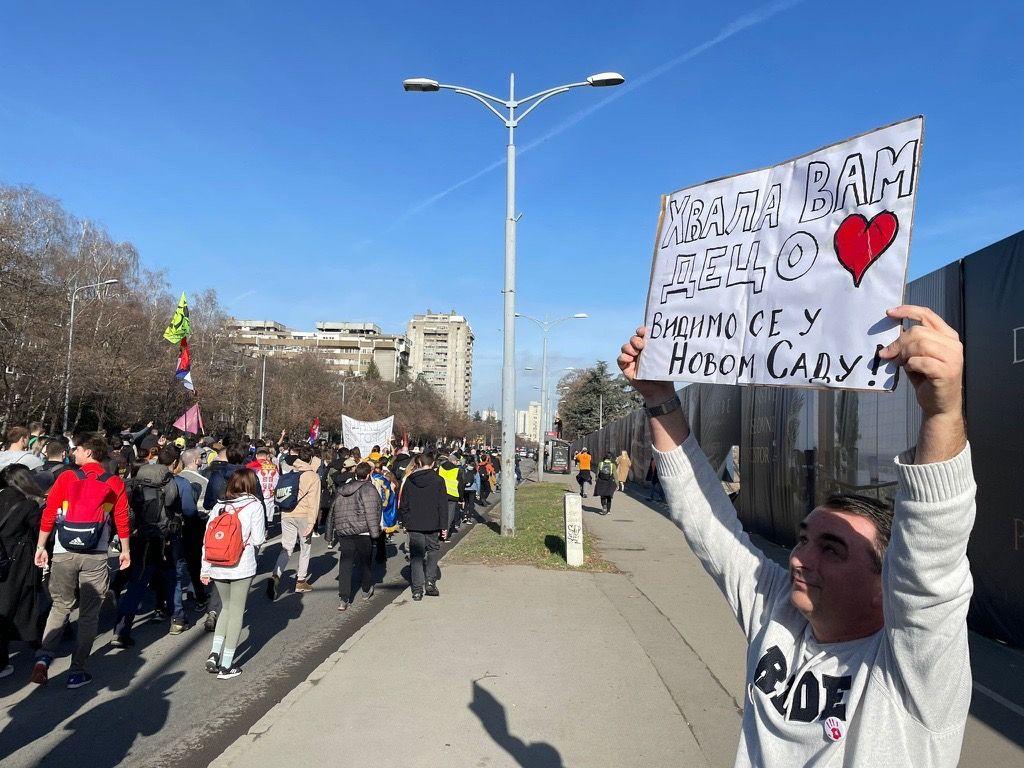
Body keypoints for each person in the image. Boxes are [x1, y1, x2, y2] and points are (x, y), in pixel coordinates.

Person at [616, 305, 976, 767]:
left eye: (832, 549)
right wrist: (658, 398)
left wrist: (942, 415)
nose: (800, 560)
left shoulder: (915, 673)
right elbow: (703, 517)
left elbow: (931, 566)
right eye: (804, 540)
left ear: (884, 585)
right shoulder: (778, 608)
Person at [33, 433, 131, 689]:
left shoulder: (66, 477)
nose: (72, 453)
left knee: (60, 606)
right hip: (96, 554)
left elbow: (50, 513)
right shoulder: (113, 482)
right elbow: (121, 519)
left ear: (88, 452)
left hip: (63, 550)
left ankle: (44, 658)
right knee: (89, 614)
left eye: (77, 449)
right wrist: (125, 550)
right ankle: (77, 671)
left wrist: (41, 545)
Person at [112, 444, 182, 645]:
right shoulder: (169, 482)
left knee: (137, 583)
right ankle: (177, 617)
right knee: (171, 578)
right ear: (174, 463)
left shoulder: (135, 482)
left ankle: (121, 629)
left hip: (139, 537)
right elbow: (174, 506)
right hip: (162, 538)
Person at [200, 468, 266, 679]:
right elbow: (257, 539)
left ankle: (214, 653)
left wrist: (205, 568)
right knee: (236, 611)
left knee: (225, 608)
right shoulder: (254, 505)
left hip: (216, 563)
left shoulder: (219, 506)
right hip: (241, 564)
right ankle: (227, 665)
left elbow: (207, 538)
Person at [0, 465, 45, 679]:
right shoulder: (28, 505)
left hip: (3, 558)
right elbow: (39, 532)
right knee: (21, 603)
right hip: (16, 561)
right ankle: (35, 642)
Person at [326, 462, 382, 611]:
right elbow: (373, 512)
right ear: (369, 474)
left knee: (345, 563)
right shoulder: (369, 489)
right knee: (365, 562)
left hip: (344, 532)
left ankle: (343, 598)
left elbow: (333, 510)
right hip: (363, 531)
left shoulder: (343, 489)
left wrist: (330, 531)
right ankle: (365, 589)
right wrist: (375, 533)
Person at [267, 445, 320, 599]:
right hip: (304, 515)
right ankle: (301, 581)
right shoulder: (312, 476)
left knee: (286, 547)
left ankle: (275, 575)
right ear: (310, 459)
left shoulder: (291, 470)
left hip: (286, 512)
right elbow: (314, 502)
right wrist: (312, 523)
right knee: (305, 547)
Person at [398, 452, 447, 601]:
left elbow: (403, 504)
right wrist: (444, 526)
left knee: (416, 556)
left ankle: (417, 589)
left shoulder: (409, 480)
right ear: (432, 464)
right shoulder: (438, 480)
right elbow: (442, 505)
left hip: (414, 523)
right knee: (432, 552)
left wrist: (405, 522)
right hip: (433, 523)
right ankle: (430, 582)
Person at [436, 452, 463, 539]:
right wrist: (461, 499)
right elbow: (460, 485)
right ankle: (444, 536)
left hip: (440, 494)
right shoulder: (457, 470)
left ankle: (437, 532)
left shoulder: (440, 468)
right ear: (454, 461)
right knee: (449, 516)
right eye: (457, 461)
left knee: (440, 514)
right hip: (453, 495)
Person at [461, 455, 480, 525]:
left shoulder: (465, 470)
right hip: (473, 489)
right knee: (471, 504)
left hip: (465, 488)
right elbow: (478, 482)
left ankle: (464, 515)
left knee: (466, 502)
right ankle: (469, 518)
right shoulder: (475, 472)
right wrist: (478, 492)